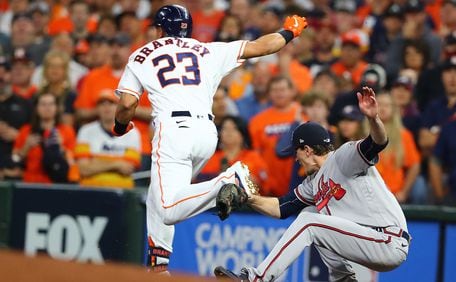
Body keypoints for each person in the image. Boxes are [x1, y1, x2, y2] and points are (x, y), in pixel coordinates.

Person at [111, 4, 308, 272]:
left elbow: (126, 105)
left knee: (168, 207)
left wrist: (120, 127)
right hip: (206, 133)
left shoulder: (141, 54)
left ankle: (227, 180)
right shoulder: (209, 49)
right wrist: (289, 32)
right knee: (162, 197)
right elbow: (263, 46)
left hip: (172, 130)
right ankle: (158, 263)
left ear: (159, 29)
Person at [214, 87, 410, 281]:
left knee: (309, 222)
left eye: (296, 152)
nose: (295, 158)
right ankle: (344, 279)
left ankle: (257, 279)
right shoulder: (314, 183)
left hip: (387, 239)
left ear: (307, 150)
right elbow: (281, 208)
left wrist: (373, 119)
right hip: (367, 239)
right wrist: (247, 197)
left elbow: (377, 143)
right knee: (310, 213)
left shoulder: (342, 157)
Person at [75, 91, 141, 189]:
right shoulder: (86, 131)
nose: (107, 107)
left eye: (111, 103)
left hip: (122, 192)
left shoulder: (132, 132)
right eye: (102, 104)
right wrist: (117, 164)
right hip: (90, 191)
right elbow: (84, 169)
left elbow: (127, 169)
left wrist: (96, 163)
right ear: (97, 108)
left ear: (119, 107)